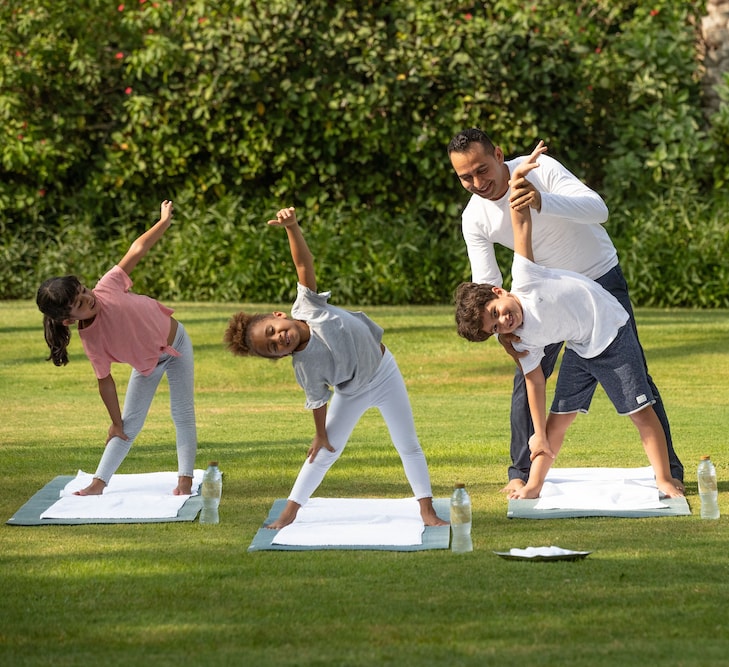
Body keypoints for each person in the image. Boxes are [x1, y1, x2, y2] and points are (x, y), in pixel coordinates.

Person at [448, 127, 683, 494]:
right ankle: (522, 474)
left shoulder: (540, 170)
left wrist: (543, 200)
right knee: (527, 378)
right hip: (540, 300)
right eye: (465, 177)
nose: (477, 182)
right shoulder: (473, 219)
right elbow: (486, 288)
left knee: (636, 375)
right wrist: (506, 336)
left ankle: (669, 474)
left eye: (481, 169)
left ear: (498, 154)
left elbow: (599, 210)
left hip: (598, 287)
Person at [223, 207, 446, 530]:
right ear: (277, 357)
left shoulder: (307, 306)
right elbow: (317, 400)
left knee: (408, 444)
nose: (278, 339)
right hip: (351, 392)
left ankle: (427, 511)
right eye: (272, 347)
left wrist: (292, 227)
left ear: (278, 315)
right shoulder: (303, 366)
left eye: (272, 330)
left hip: (384, 372)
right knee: (324, 452)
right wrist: (320, 433)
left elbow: (303, 263)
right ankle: (289, 513)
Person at [36, 200, 197, 496]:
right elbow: (105, 382)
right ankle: (99, 482)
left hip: (178, 344)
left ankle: (185, 479)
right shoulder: (92, 341)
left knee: (182, 413)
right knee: (127, 425)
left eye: (84, 291)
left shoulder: (107, 286)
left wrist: (163, 222)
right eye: (81, 304)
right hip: (147, 365)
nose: (89, 299)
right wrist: (114, 421)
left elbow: (137, 250)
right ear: (69, 321)